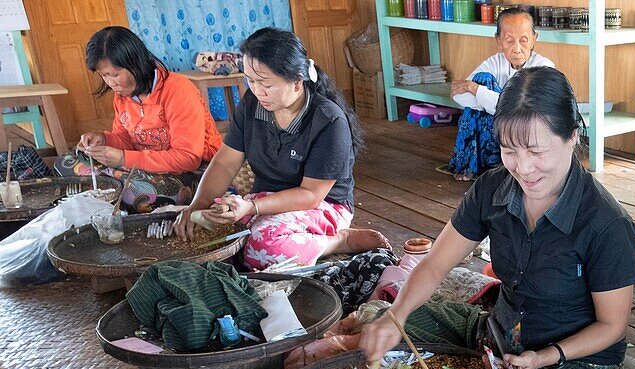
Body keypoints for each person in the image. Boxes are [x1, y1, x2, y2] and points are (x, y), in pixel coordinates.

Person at [360, 66, 635, 369]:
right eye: (511, 150)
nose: (523, 167)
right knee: (378, 320)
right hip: (500, 333)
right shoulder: (492, 188)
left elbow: (612, 328)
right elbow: (437, 263)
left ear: (573, 137)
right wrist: (397, 315)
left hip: (576, 363)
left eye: (536, 151)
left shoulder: (607, 224)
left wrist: (544, 358)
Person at [173, 27, 389, 270]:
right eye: (250, 80)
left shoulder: (328, 120)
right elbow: (225, 162)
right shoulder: (253, 104)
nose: (256, 90)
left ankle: (339, 240)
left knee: (260, 247)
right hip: (265, 202)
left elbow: (310, 194)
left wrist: (252, 207)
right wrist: (197, 206)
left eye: (265, 83)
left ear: (297, 81)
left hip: (322, 206)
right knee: (209, 231)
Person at [55, 26, 222, 212]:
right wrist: (104, 139)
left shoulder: (178, 90)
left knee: (136, 194)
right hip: (147, 168)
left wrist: (123, 159)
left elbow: (187, 159)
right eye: (104, 75)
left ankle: (112, 188)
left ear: (136, 63)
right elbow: (127, 139)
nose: (111, 82)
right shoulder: (122, 95)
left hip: (198, 173)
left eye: (115, 74)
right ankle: (113, 186)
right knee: (65, 163)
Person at [446, 8, 554, 181]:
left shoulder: (543, 67)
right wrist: (492, 102)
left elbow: (521, 111)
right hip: (500, 130)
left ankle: (498, 166)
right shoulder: (495, 62)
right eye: (509, 41)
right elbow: (459, 97)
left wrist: (477, 91)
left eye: (524, 40)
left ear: (534, 39)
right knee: (482, 82)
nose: (517, 49)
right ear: (499, 41)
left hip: (528, 136)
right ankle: (476, 165)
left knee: (481, 87)